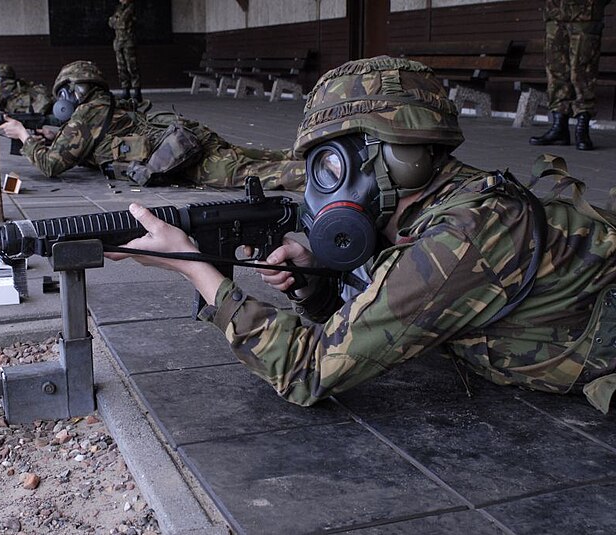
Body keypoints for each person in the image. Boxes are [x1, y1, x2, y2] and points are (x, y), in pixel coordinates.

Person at [105, 56, 616, 415]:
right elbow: (366, 318)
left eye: (340, 160)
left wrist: (196, 271)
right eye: (324, 164)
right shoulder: (437, 208)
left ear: (404, 157)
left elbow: (309, 372)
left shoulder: (461, 238)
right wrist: (310, 280)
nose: (327, 186)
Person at [0, 60, 305, 190]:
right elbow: (93, 145)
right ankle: (310, 156)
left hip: (184, 155)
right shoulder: (104, 106)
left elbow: (51, 166)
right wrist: (53, 135)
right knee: (254, 156)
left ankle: (324, 174)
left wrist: (24, 136)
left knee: (251, 175)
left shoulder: (86, 114)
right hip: (188, 138)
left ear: (73, 90)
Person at [529, 0, 612, 150]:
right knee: (555, 71)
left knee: (583, 71)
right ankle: (559, 127)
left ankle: (582, 128)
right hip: (555, 13)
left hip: (585, 14)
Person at [108, 0, 142, 102]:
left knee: (132, 67)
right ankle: (125, 89)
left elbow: (122, 22)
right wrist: (116, 20)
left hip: (128, 42)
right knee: (121, 68)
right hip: (118, 43)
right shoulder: (118, 8)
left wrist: (116, 20)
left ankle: (137, 91)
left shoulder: (132, 8)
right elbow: (110, 23)